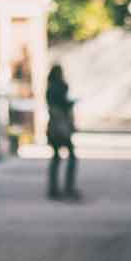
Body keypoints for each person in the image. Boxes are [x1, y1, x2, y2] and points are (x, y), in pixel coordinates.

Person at [46, 65, 78, 200]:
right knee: (71, 157)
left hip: (53, 127)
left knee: (56, 157)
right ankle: (68, 187)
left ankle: (54, 188)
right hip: (60, 127)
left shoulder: (49, 89)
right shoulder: (60, 87)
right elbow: (64, 105)